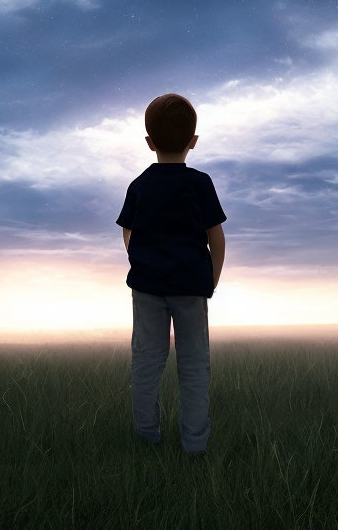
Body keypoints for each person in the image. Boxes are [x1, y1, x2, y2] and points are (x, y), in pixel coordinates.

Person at [116, 93, 226, 457]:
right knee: (194, 367)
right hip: (192, 288)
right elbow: (216, 236)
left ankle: (147, 438)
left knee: (146, 363)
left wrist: (142, 259)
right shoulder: (200, 183)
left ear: (150, 143)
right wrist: (212, 279)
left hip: (147, 288)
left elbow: (127, 232)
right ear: (193, 142)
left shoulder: (139, 185)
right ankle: (195, 446)